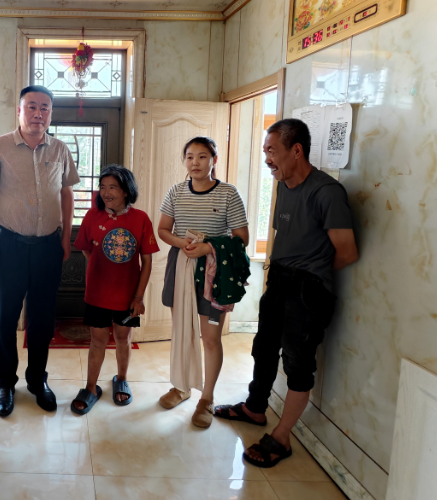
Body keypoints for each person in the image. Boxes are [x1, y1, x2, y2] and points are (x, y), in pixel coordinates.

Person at [214, 119, 358, 468]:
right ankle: (254, 408)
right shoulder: (284, 187)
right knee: (263, 348)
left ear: (296, 150)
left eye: (272, 151)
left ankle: (281, 437)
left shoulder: (327, 192)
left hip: (308, 289)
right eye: (265, 151)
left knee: (297, 363)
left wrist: (311, 273)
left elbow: (347, 252)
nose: (267, 158)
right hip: (279, 279)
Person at [0, 85, 80, 417]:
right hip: (8, 246)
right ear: (19, 111)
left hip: (48, 246)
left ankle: (37, 380)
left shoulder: (60, 149)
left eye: (45, 108)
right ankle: (6, 384)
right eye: (32, 106)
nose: (38, 113)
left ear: (51, 113)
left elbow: (66, 194)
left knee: (42, 320)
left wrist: (65, 237)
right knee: (6, 319)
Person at [157, 136, 250, 428]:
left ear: (214, 160)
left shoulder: (228, 193)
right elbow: (163, 229)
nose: (195, 162)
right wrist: (185, 245)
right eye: (189, 157)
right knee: (182, 331)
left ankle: (206, 398)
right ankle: (181, 386)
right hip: (181, 265)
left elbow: (242, 237)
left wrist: (207, 247)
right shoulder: (175, 191)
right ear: (184, 161)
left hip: (215, 270)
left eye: (202, 156)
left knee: (210, 339)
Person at [71, 165, 159, 415]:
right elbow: (85, 248)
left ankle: (121, 379)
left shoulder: (141, 218)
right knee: (97, 340)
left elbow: (147, 261)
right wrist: (101, 267)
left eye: (113, 187)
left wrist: (139, 297)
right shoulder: (92, 215)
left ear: (126, 191)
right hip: (97, 293)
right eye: (103, 187)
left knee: (123, 337)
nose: (106, 192)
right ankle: (91, 388)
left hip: (128, 296)